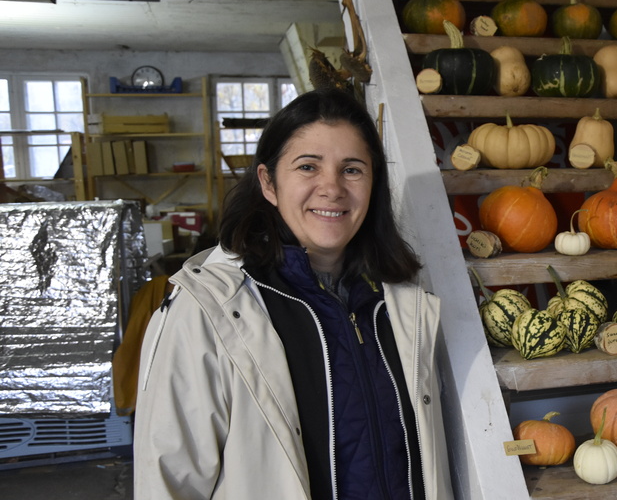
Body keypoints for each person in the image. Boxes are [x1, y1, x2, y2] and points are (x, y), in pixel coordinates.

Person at [134, 88, 454, 499]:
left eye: (352, 169)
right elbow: (169, 481)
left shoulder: (401, 305)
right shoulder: (208, 308)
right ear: (269, 182)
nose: (332, 188)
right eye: (308, 167)